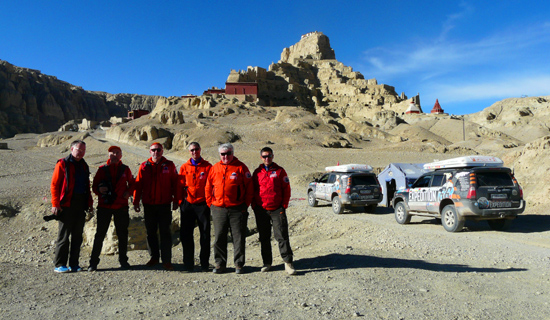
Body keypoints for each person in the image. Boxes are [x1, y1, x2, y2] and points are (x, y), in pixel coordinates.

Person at [205, 143, 253, 274]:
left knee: (238, 237)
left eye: (228, 153)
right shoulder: (215, 168)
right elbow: (208, 187)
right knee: (219, 237)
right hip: (218, 208)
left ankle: (239, 264)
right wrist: (211, 203)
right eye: (223, 154)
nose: (225, 156)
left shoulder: (241, 167)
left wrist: (245, 204)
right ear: (219, 155)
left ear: (233, 153)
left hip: (237, 209)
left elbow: (249, 187)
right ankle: (220, 264)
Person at [88, 146, 135, 271]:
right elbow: (94, 187)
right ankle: (93, 263)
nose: (114, 154)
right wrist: (99, 190)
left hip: (121, 206)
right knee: (100, 234)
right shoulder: (102, 169)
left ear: (121, 155)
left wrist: (129, 193)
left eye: (117, 152)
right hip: (105, 206)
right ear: (108, 154)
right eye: (112, 152)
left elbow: (132, 183)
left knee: (122, 234)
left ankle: (123, 261)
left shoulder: (126, 169)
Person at [50, 140, 93, 273]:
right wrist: (55, 204)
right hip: (66, 204)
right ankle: (60, 264)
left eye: (83, 150)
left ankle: (74, 264)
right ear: (71, 149)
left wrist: (89, 203)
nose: (81, 152)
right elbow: (55, 185)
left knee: (77, 236)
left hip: (80, 204)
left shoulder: (84, 166)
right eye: (78, 149)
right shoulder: (62, 164)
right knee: (64, 236)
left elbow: (87, 186)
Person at [133, 142, 178, 271]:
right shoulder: (144, 166)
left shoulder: (169, 165)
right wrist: (136, 202)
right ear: (150, 151)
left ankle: (167, 260)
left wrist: (176, 200)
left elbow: (175, 183)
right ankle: (153, 257)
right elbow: (138, 185)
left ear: (162, 151)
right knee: (150, 232)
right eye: (153, 150)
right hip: (149, 205)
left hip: (164, 204)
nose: (156, 152)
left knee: (165, 232)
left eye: (158, 150)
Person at [252, 147, 296, 275]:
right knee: (264, 237)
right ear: (261, 158)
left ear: (273, 156)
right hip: (261, 210)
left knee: (281, 236)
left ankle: (288, 262)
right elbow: (252, 189)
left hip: (277, 209)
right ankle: (267, 263)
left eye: (269, 156)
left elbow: (286, 189)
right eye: (264, 156)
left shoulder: (280, 171)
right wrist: (255, 205)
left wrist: (283, 205)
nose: (267, 158)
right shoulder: (257, 172)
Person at [177, 142, 212, 272]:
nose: (194, 152)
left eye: (196, 149)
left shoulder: (208, 167)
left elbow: (212, 185)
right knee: (186, 235)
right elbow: (180, 185)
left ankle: (204, 264)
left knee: (204, 234)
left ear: (200, 149)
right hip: (188, 204)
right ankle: (188, 263)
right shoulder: (185, 167)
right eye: (192, 150)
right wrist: (180, 201)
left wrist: (210, 202)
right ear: (189, 151)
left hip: (203, 204)